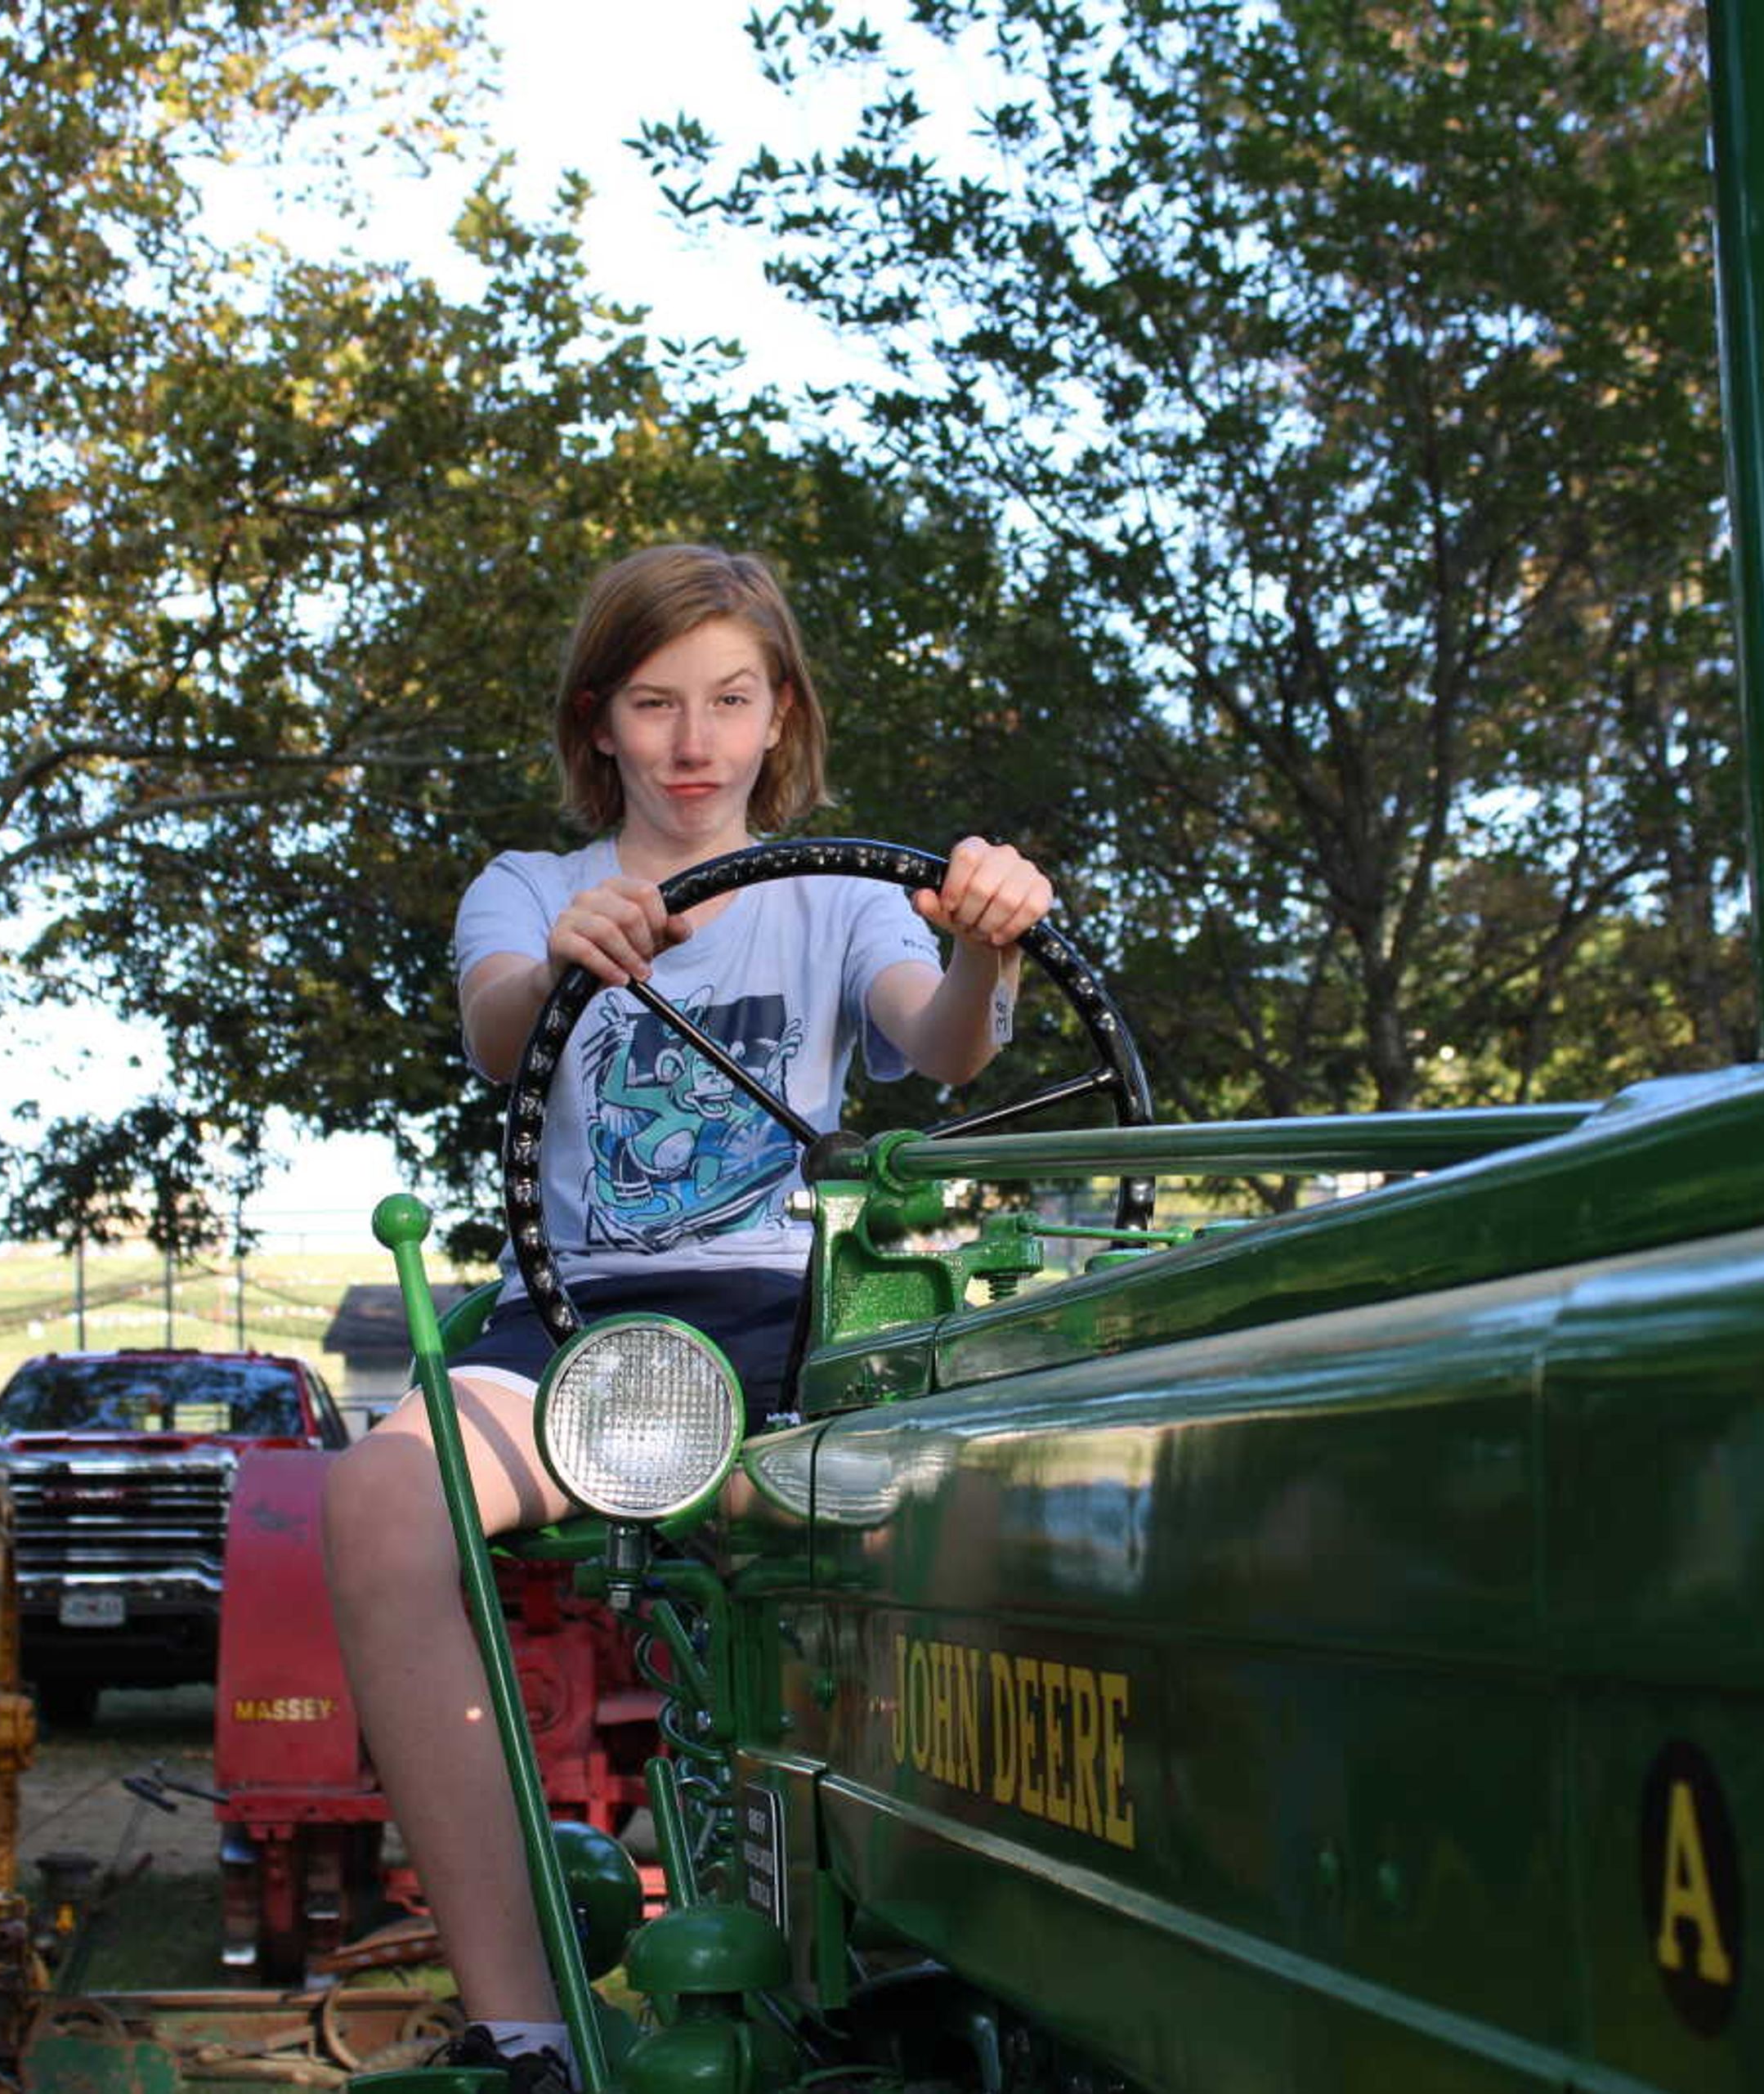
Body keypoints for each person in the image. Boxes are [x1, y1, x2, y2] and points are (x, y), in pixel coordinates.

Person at [321, 545, 1053, 2090]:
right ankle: (525, 2027)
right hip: (580, 1325)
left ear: (780, 715)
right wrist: (574, 957)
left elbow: (944, 1046)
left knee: (972, 1522)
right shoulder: (532, 890)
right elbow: (496, 1021)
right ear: (600, 725)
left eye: (730, 699)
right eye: (655, 703)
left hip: (792, 1330)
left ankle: (932, 1965)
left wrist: (985, 939)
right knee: (386, 1500)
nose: (693, 740)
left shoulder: (842, 894)